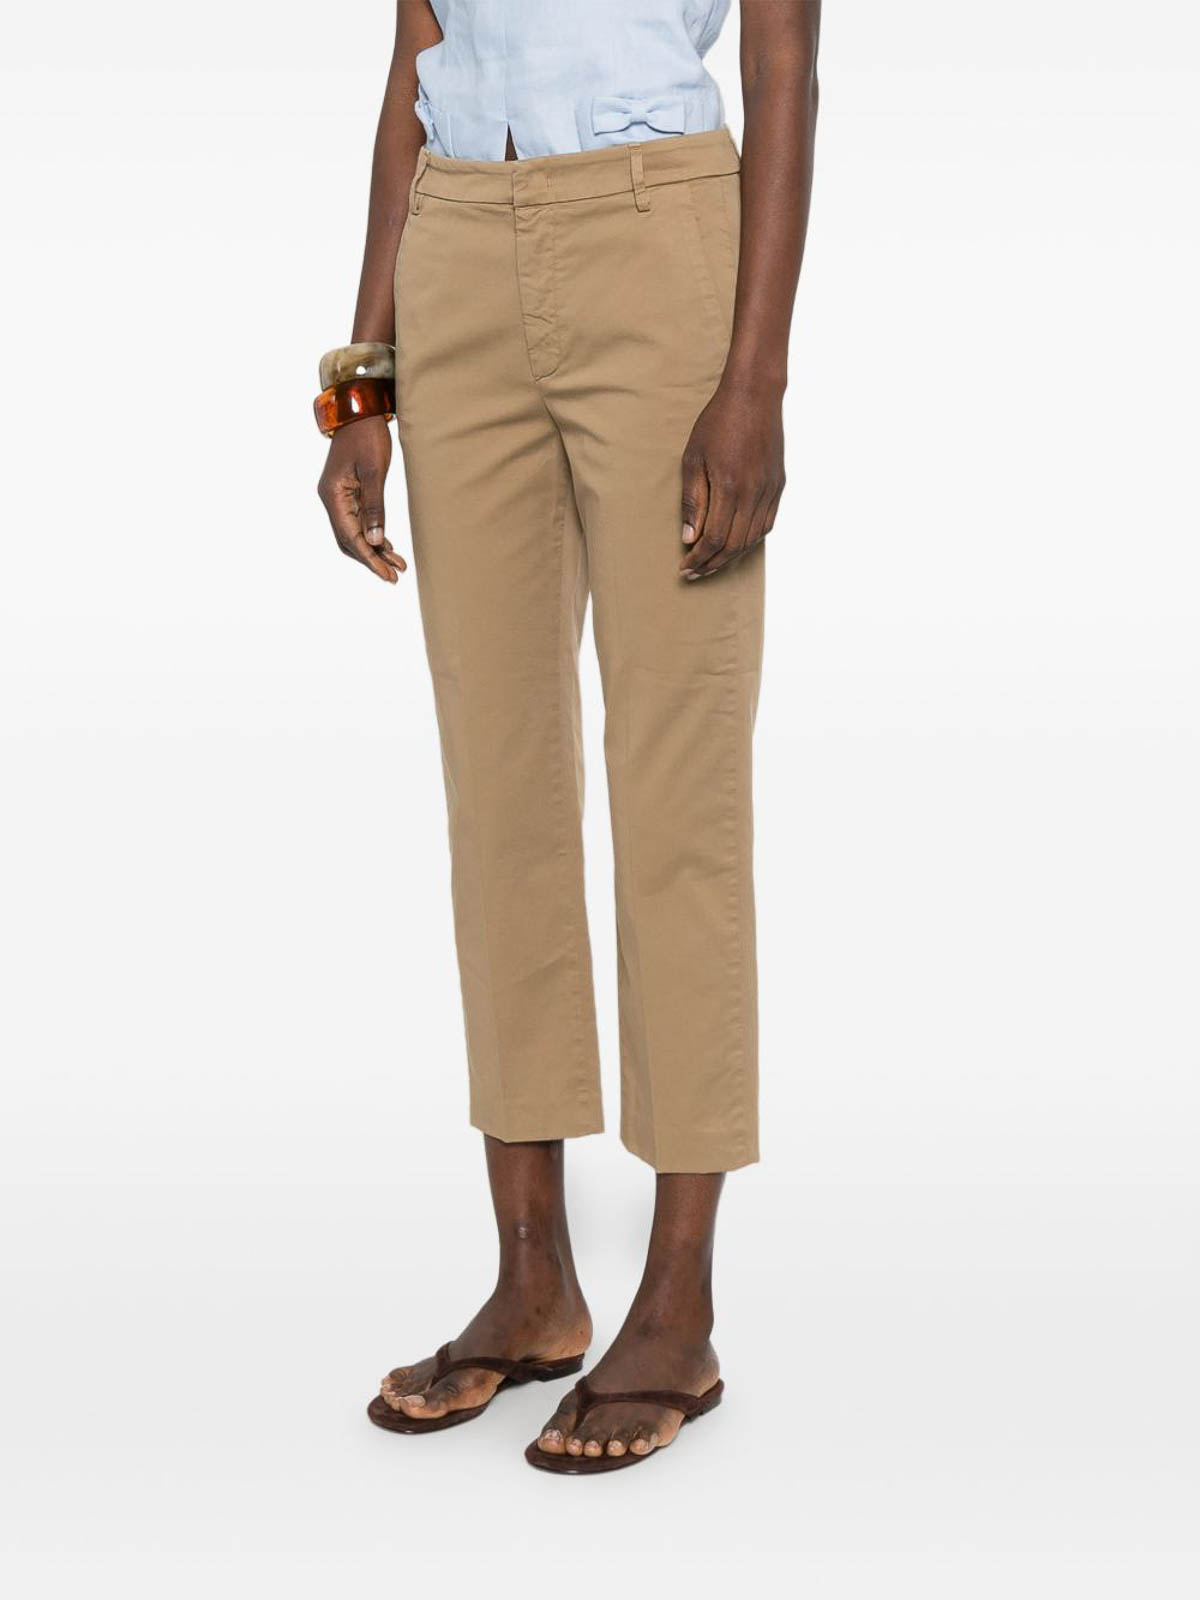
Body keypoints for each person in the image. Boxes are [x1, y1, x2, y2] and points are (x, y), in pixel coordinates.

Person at [315, 0, 820, 1475]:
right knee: (500, 793)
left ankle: (678, 1304)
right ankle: (532, 1281)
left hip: (660, 242)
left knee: (679, 790)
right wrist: (362, 386)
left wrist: (756, 381)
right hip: (454, 251)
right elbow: (414, 68)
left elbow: (785, 65)